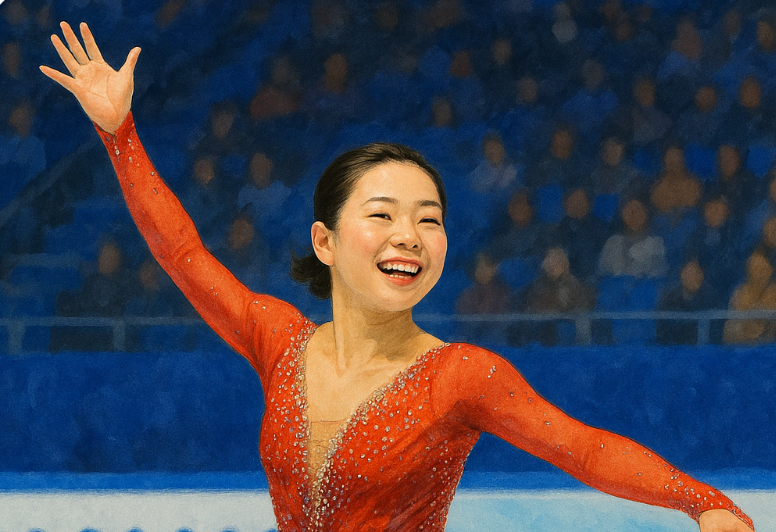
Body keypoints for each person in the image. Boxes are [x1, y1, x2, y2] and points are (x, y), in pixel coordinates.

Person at [40, 22, 754, 532]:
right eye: (382, 214)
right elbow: (185, 256)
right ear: (324, 241)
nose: (408, 235)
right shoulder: (279, 341)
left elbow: (584, 447)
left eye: (428, 219)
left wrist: (704, 502)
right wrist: (119, 134)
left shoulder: (460, 376)